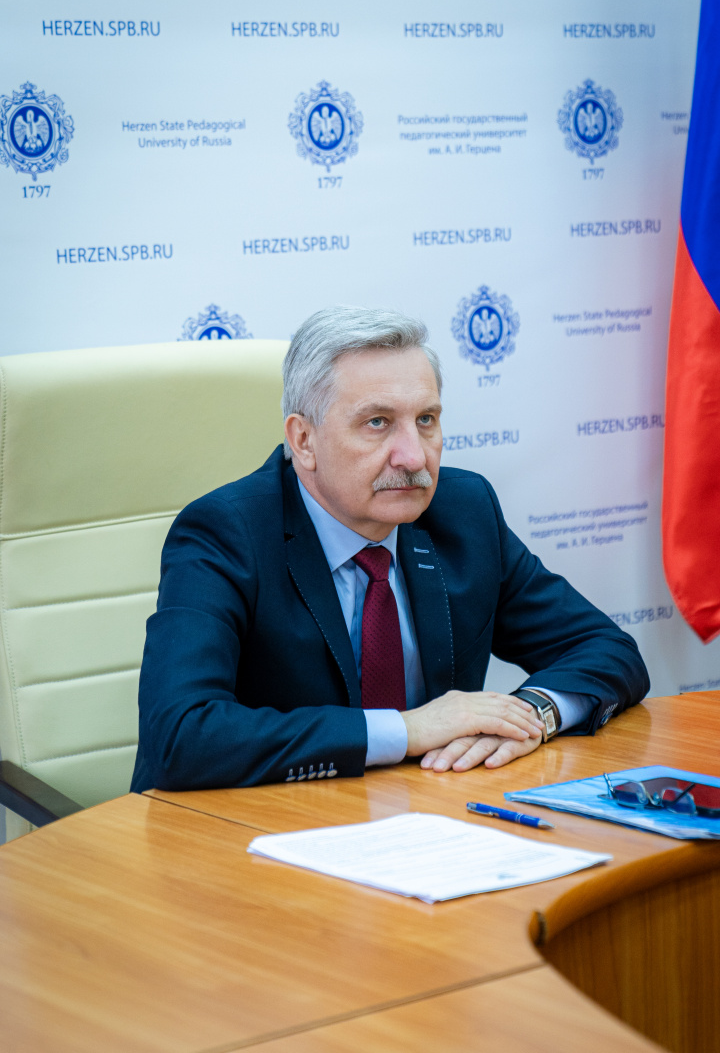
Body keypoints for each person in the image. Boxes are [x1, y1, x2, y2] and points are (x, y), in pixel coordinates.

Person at [131, 307, 649, 792]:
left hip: (430, 815)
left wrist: (530, 715)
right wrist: (408, 730)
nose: (413, 456)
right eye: (377, 423)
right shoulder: (226, 533)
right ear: (304, 441)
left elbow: (606, 649)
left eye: (426, 420)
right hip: (258, 829)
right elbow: (180, 735)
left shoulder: (464, 512)